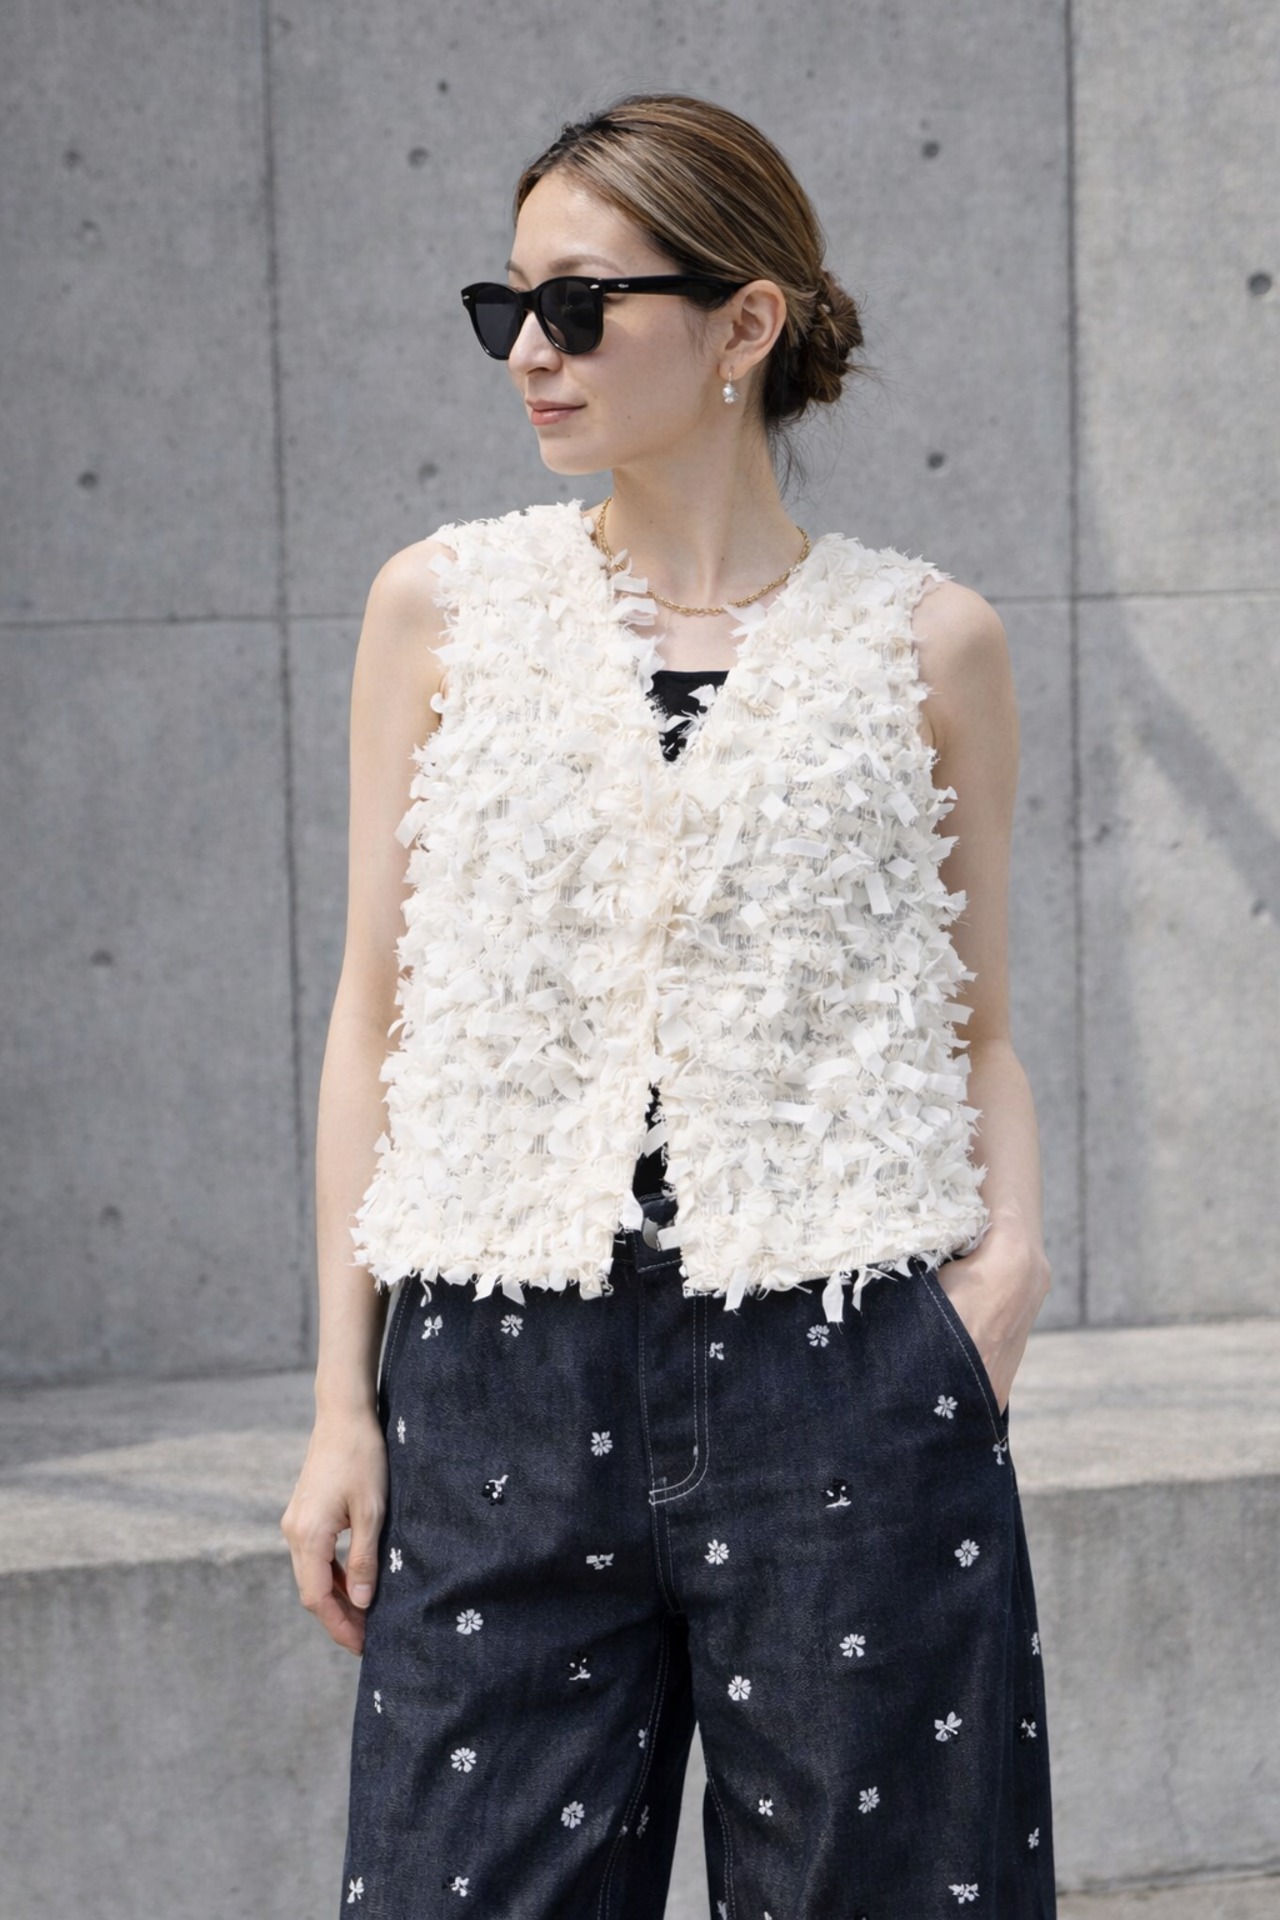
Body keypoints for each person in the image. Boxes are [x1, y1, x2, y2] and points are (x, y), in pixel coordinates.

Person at [282, 91, 1056, 1919]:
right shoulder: (442, 610)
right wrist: (340, 1406)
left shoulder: (926, 642)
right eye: (506, 307)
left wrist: (1001, 1283)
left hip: (845, 1373)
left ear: (744, 323)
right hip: (496, 1380)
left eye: (576, 306)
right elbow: (375, 1016)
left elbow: (976, 1027)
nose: (527, 354)